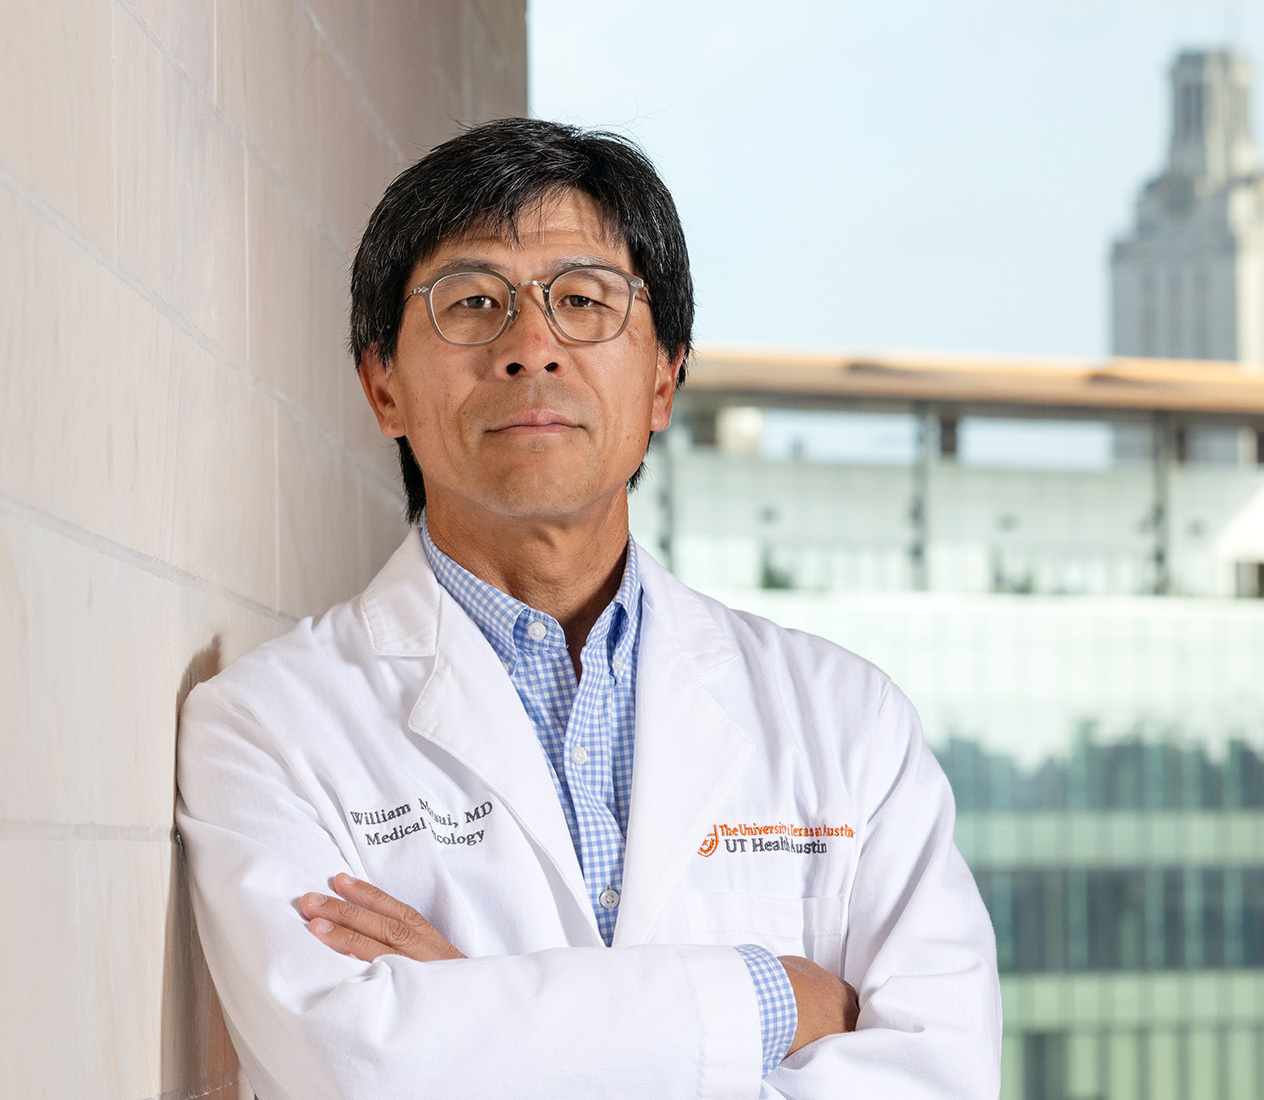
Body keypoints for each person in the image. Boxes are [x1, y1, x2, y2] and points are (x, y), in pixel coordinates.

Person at [176, 117, 1000, 1100]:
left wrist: (476, 1013)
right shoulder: (267, 726)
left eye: (583, 299)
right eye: (471, 301)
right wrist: (774, 998)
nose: (532, 346)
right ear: (381, 384)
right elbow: (359, 1064)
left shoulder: (847, 721)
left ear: (664, 378)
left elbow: (938, 1074)